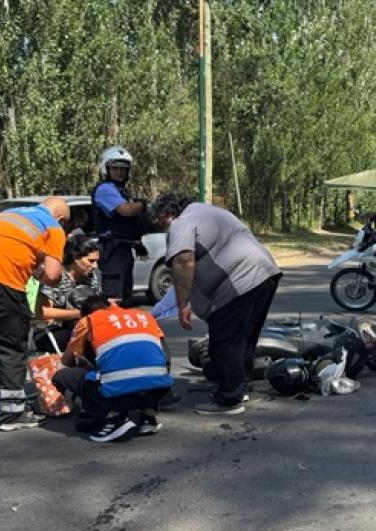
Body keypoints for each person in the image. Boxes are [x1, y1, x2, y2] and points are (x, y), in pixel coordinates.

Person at [151, 193, 282, 415]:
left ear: (168, 213)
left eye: (162, 224)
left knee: (224, 343)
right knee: (244, 339)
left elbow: (183, 261)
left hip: (238, 282)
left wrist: (183, 304)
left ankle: (228, 400)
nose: (164, 230)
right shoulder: (210, 212)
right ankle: (239, 387)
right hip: (265, 274)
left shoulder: (181, 221)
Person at [0, 196, 70, 431]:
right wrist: (47, 273)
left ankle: (2, 393)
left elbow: (6, 246)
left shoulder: (8, 214)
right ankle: (11, 414)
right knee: (13, 343)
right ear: (61, 219)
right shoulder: (53, 228)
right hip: (1, 278)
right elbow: (52, 275)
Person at [52, 293, 174, 442]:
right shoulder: (144, 316)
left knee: (63, 376)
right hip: (159, 389)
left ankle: (114, 418)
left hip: (118, 394)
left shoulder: (88, 321)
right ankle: (148, 415)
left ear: (85, 314)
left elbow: (67, 360)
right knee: (149, 353)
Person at [91, 146, 149, 306]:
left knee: (125, 299)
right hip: (112, 252)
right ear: (106, 169)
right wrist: (143, 204)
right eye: (115, 168)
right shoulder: (105, 189)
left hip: (123, 250)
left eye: (123, 169)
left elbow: (125, 225)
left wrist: (136, 243)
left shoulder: (120, 191)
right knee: (113, 300)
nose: (120, 172)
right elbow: (127, 211)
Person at [34, 233, 102, 351]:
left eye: (96, 261)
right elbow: (42, 312)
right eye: (91, 261)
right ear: (76, 258)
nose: (95, 266)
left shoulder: (91, 276)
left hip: (82, 327)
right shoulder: (56, 277)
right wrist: (78, 313)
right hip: (52, 332)